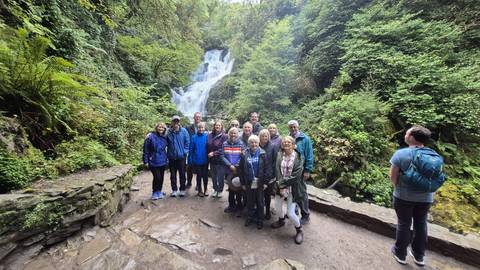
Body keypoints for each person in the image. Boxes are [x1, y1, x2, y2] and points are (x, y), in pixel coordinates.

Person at [390, 126, 437, 267]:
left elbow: (393, 178)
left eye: (407, 133)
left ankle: (400, 253)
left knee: (404, 224)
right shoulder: (434, 155)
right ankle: (419, 256)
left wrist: (398, 188)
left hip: (403, 197)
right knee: (421, 224)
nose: (405, 134)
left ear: (411, 137)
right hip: (426, 198)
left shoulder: (401, 154)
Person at [270, 136, 306, 244]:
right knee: (277, 208)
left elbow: (296, 176)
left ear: (293, 144)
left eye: (289, 142)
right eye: (284, 142)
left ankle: (299, 230)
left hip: (293, 188)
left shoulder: (299, 157)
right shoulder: (279, 155)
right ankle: (281, 220)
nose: (286, 144)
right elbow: (277, 170)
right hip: (280, 187)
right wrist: (280, 186)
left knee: (290, 213)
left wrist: (282, 184)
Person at [288, 120, 313, 224]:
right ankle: (294, 213)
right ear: (289, 128)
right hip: (290, 171)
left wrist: (307, 170)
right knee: (292, 192)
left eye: (295, 127)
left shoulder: (305, 139)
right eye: (291, 127)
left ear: (298, 127)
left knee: (301, 192)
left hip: (301, 170)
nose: (293, 129)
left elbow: (309, 155)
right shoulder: (288, 138)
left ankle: (305, 215)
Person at [240, 135, 267, 229]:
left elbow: (266, 169)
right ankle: (249, 217)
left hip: (259, 182)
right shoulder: (244, 154)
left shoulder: (263, 153)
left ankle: (260, 220)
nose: (254, 144)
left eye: (255, 142)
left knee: (260, 202)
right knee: (250, 201)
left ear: (258, 143)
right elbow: (241, 170)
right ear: (249, 143)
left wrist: (265, 183)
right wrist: (242, 183)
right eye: (252, 142)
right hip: (248, 182)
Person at [220, 127, 245, 215]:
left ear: (238, 134)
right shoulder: (225, 144)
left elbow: (243, 156)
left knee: (238, 189)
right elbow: (222, 156)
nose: (233, 135)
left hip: (238, 170)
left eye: (235, 133)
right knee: (230, 189)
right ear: (229, 134)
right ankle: (231, 205)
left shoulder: (241, 144)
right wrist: (230, 165)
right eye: (231, 133)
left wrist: (236, 166)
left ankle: (239, 206)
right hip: (228, 170)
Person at [143, 122, 168, 200]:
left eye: (162, 127)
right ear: (156, 128)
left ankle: (159, 191)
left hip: (163, 160)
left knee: (161, 177)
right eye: (159, 127)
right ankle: (154, 192)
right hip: (153, 160)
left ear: (164, 129)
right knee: (157, 177)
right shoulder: (150, 137)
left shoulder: (165, 137)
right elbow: (145, 150)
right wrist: (145, 161)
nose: (161, 129)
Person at [166, 115, 190, 197]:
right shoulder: (168, 132)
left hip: (181, 157)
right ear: (172, 122)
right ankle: (174, 190)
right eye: (174, 121)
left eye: (177, 121)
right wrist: (151, 133)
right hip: (172, 157)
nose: (176, 123)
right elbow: (160, 136)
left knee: (182, 174)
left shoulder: (184, 131)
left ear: (179, 122)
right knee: (173, 174)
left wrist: (184, 152)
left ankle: (182, 189)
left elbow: (187, 142)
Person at [258, 129, 277, 220]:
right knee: (259, 194)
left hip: (269, 175)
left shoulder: (272, 146)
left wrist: (272, 174)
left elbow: (275, 161)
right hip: (259, 174)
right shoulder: (256, 145)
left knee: (267, 195)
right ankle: (259, 211)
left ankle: (268, 211)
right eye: (262, 136)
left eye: (266, 136)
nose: (264, 138)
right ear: (259, 137)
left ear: (268, 137)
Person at [207, 120, 228, 198]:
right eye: (216, 125)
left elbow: (224, 148)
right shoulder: (210, 135)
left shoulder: (224, 136)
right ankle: (215, 189)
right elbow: (207, 145)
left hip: (220, 159)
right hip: (212, 160)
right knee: (213, 176)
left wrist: (213, 153)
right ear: (214, 126)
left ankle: (220, 190)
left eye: (219, 125)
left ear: (222, 126)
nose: (217, 126)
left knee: (220, 176)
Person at [189, 122, 209, 197]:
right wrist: (190, 159)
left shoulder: (207, 136)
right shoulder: (194, 137)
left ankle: (206, 189)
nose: (201, 129)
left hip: (205, 159)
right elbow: (191, 149)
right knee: (199, 175)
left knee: (205, 175)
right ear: (197, 128)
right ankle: (200, 190)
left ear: (204, 128)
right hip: (197, 160)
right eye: (199, 127)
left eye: (202, 127)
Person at [186, 112, 202, 189]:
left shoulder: (204, 127)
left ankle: (198, 185)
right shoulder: (188, 128)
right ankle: (189, 182)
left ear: (201, 118)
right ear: (194, 118)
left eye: (199, 117)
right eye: (196, 117)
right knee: (189, 167)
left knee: (199, 169)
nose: (198, 118)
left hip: (200, 151)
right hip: (191, 150)